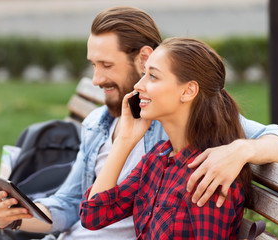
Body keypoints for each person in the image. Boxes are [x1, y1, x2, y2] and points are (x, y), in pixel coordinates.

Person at [0, 6, 278, 240]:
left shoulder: (200, 159)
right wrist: (15, 217)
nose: (95, 79)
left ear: (145, 59)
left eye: (105, 65)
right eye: (93, 65)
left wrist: (241, 151)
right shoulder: (154, 154)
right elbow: (84, 211)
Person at [80, 37, 254, 239]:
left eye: (152, 76)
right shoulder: (158, 158)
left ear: (188, 91)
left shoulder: (208, 175)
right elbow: (93, 215)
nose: (138, 85)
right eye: (144, 74)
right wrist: (124, 140)